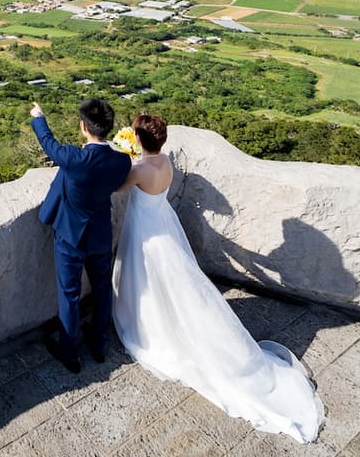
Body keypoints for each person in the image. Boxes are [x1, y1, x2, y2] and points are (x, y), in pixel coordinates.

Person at [113, 113, 325, 443]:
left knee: (149, 279)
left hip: (145, 230)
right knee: (174, 284)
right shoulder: (165, 163)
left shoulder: (139, 169)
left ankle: (151, 327)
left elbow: (116, 184)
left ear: (139, 140)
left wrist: (122, 156)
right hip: (161, 221)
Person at [30, 98, 131, 374]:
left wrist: (38, 116)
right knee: (101, 289)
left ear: (83, 127)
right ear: (109, 128)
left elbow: (48, 143)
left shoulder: (75, 159)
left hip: (70, 237)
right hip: (100, 234)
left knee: (69, 295)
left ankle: (70, 353)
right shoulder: (121, 162)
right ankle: (99, 344)